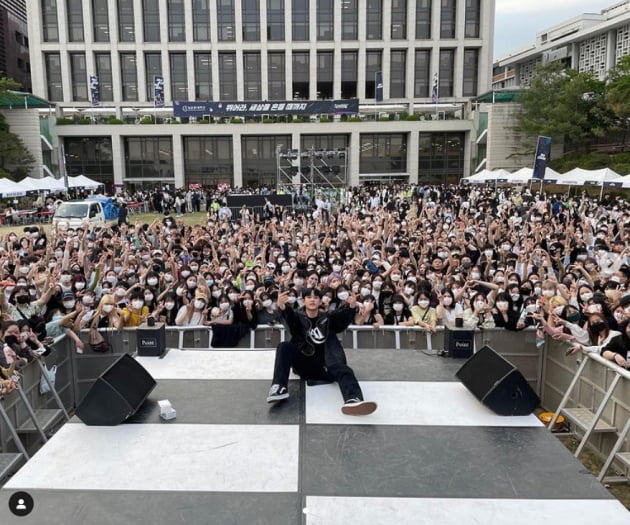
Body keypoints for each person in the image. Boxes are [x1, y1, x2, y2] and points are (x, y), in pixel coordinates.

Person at [267, 287, 377, 416]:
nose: (312, 300)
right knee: (283, 346)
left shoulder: (328, 317)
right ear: (304, 301)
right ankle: (279, 387)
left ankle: (353, 399)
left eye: (315, 297)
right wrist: (282, 306)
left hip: (328, 364)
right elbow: (289, 321)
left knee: (345, 370)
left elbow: (341, 321)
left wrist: (352, 307)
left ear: (320, 302)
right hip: (305, 364)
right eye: (309, 297)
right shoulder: (297, 317)